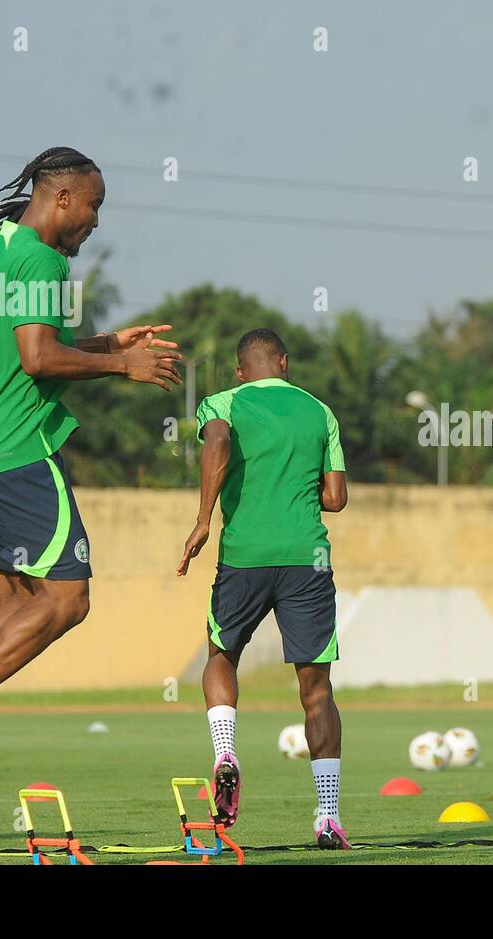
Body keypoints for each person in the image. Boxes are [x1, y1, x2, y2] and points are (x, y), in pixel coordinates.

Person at [0, 146, 181, 798]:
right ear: (64, 199)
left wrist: (108, 345)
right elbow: (37, 357)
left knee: (24, 599)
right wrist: (120, 368)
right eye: (95, 206)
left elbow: (24, 344)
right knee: (66, 598)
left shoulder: (6, 248)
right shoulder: (41, 258)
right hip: (15, 451)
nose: (97, 222)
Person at [177, 329, 350, 849]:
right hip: (307, 558)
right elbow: (337, 497)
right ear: (285, 363)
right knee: (316, 690)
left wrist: (204, 518)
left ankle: (226, 751)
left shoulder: (222, 403)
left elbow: (219, 443)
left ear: (240, 371)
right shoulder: (321, 411)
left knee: (221, 655)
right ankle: (327, 817)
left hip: (244, 556)